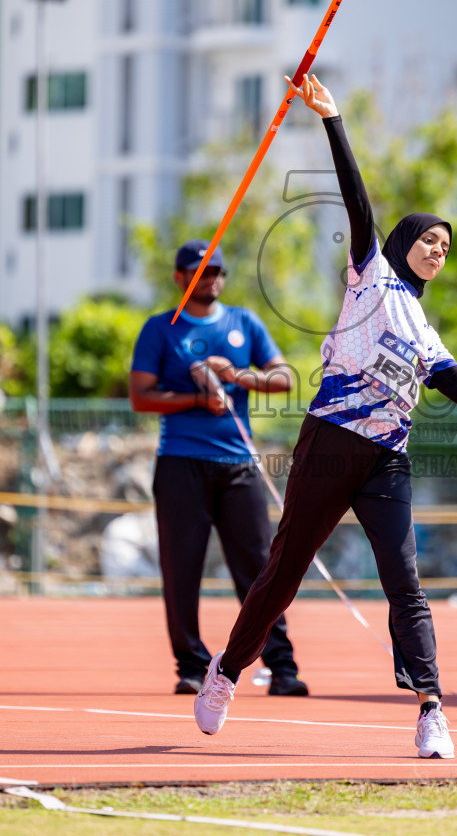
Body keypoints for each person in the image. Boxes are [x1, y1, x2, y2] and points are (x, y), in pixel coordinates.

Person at [193, 75, 457, 758]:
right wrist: (333, 119)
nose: (438, 250)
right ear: (403, 242)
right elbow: (357, 201)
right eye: (429, 239)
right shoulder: (368, 276)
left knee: (404, 582)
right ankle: (226, 671)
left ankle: (430, 707)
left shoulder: (427, 336)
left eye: (447, 246)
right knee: (284, 571)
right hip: (330, 442)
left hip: (386, 458)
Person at [129, 239, 308, 697]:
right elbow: (141, 395)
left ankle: (281, 666)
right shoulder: (159, 329)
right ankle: (189, 665)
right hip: (181, 464)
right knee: (182, 568)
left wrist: (238, 376)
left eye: (217, 272)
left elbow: (284, 377)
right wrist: (196, 398)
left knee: (260, 568)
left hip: (238, 465)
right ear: (180, 277)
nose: (211, 279)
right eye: (200, 271)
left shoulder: (244, 322)